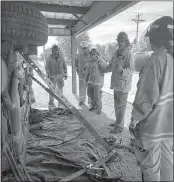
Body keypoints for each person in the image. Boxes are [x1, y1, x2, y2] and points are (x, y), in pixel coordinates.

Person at [129, 16, 173, 181]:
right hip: (169, 129)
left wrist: (134, 121)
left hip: (153, 128)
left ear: (157, 38)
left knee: (150, 169)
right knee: (167, 165)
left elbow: (145, 99)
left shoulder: (157, 59)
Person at [102, 32, 133, 133]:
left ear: (126, 42)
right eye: (119, 41)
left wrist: (122, 70)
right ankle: (117, 122)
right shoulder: (116, 53)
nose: (120, 43)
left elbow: (131, 70)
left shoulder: (129, 54)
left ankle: (119, 127)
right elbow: (110, 66)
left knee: (121, 106)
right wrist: (102, 69)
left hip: (123, 86)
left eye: (122, 41)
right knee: (116, 105)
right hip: (116, 84)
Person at [84, 48, 106, 115]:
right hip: (90, 81)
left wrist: (100, 61)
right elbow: (86, 71)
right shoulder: (89, 62)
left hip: (98, 82)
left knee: (97, 96)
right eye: (91, 54)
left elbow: (106, 68)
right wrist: (86, 80)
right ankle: (94, 106)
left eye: (94, 54)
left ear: (97, 55)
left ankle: (99, 109)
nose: (93, 55)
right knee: (90, 94)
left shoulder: (101, 61)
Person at [45, 45, 67, 109]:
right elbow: (47, 67)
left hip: (60, 76)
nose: (55, 52)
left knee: (60, 90)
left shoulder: (61, 58)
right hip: (52, 76)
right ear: (52, 51)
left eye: (56, 51)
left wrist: (65, 74)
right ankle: (51, 104)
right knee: (52, 90)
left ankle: (60, 104)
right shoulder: (49, 58)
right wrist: (48, 74)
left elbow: (64, 66)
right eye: (54, 51)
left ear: (58, 51)